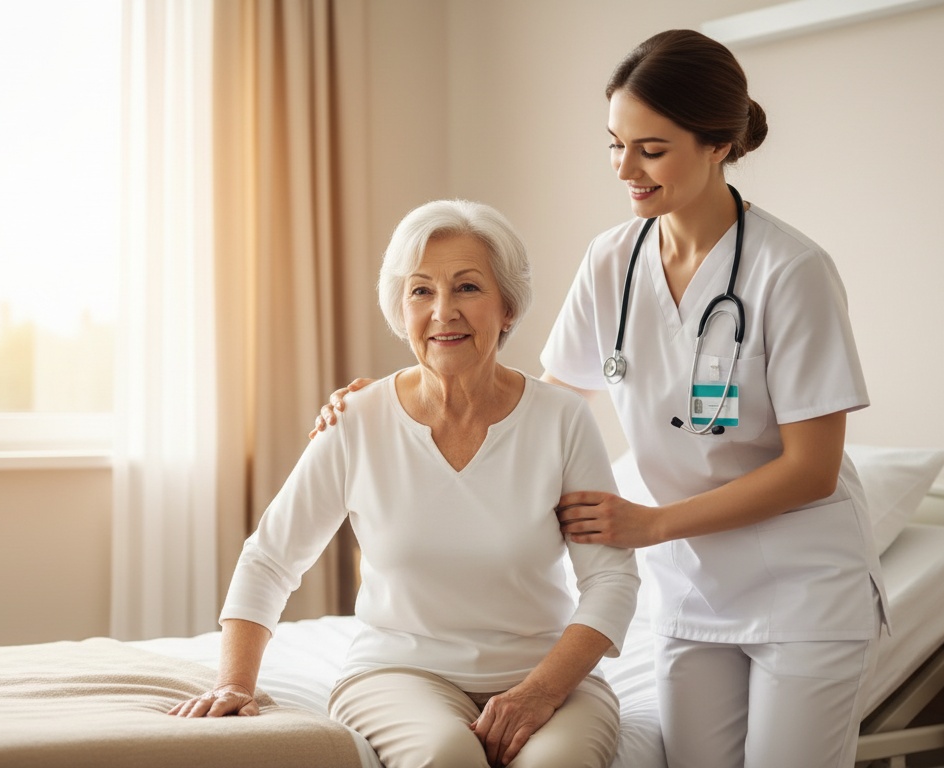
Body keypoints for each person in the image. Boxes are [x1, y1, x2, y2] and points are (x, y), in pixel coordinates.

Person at [311, 30, 888, 768]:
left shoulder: (790, 270)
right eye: (614, 144)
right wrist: (402, 401)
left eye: (651, 148)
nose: (626, 168)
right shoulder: (613, 259)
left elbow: (812, 468)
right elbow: (542, 410)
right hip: (689, 594)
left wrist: (653, 523)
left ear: (717, 144)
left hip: (803, 591)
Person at [170, 199, 639, 768]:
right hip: (398, 673)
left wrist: (539, 693)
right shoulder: (358, 420)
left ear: (508, 307)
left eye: (468, 288)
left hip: (545, 674)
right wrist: (235, 683)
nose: (444, 311)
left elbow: (612, 579)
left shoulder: (562, 420)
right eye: (421, 291)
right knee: (448, 756)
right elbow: (271, 557)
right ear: (401, 308)